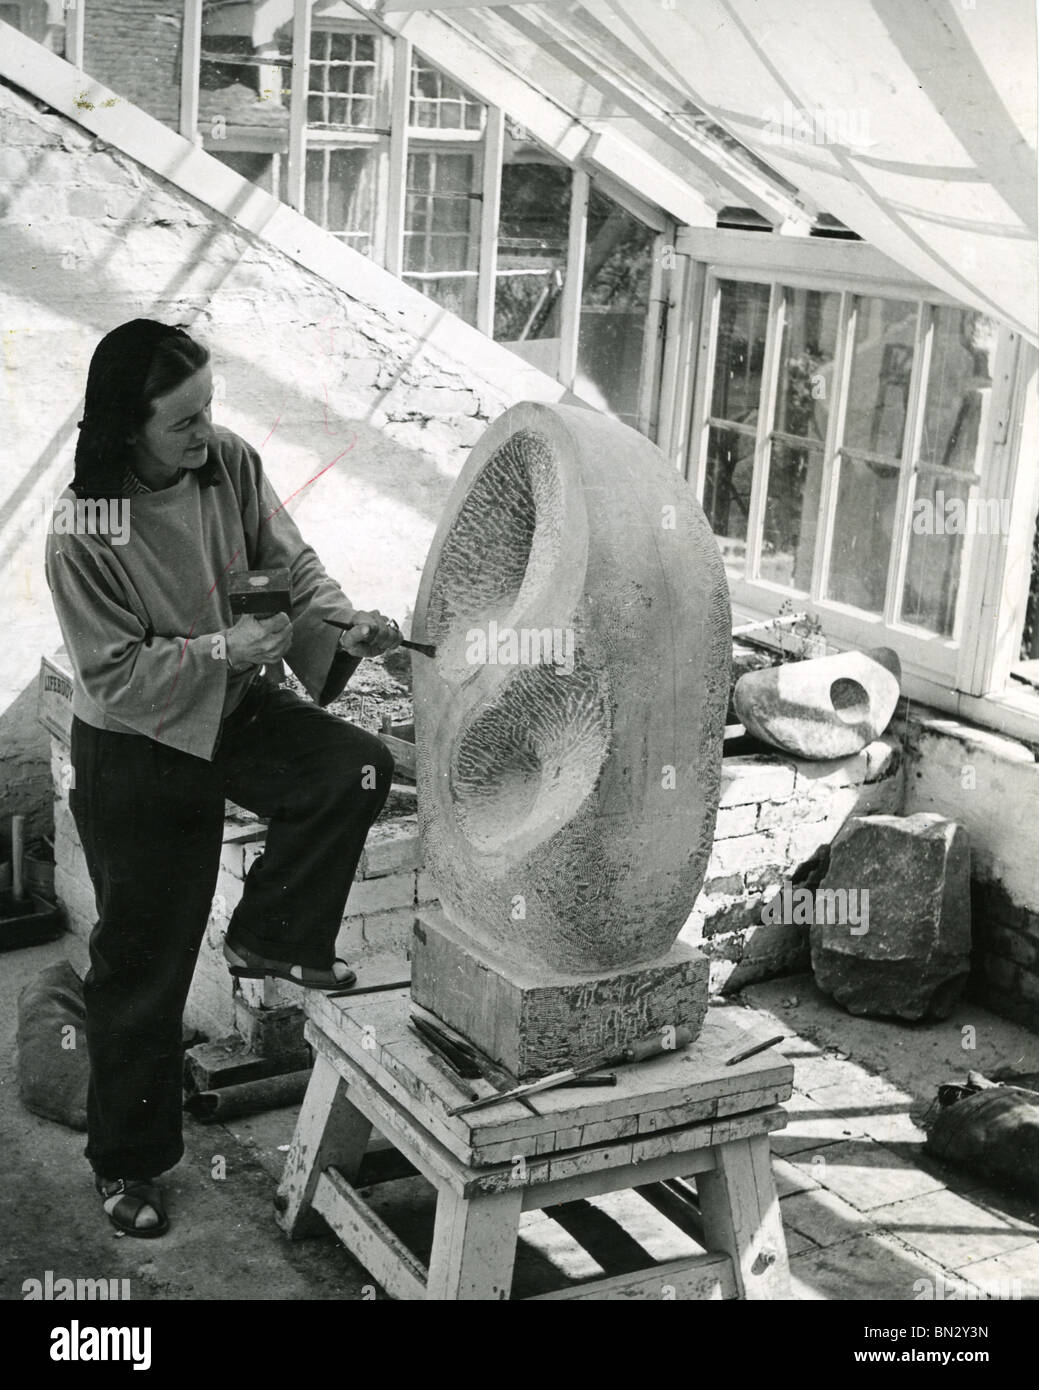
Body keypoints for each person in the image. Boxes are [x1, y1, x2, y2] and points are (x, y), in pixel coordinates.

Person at [45, 319, 402, 1239]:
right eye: (184, 421)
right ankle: (128, 1164)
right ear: (127, 427)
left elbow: (289, 561)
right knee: (143, 966)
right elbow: (114, 673)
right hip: (135, 743)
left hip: (233, 702)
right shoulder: (86, 525)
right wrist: (219, 647)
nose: (206, 433)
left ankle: (269, 935)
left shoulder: (227, 463)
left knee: (353, 767)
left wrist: (343, 620)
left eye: (209, 409)